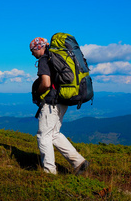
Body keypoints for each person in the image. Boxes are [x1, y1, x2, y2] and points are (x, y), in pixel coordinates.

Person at [30, 37, 89, 175]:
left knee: (43, 136)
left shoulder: (45, 59)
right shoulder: (57, 57)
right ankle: (78, 162)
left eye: (32, 51)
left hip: (51, 103)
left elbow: (46, 83)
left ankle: (49, 172)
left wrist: (38, 93)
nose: (32, 54)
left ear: (39, 47)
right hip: (63, 101)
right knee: (54, 134)